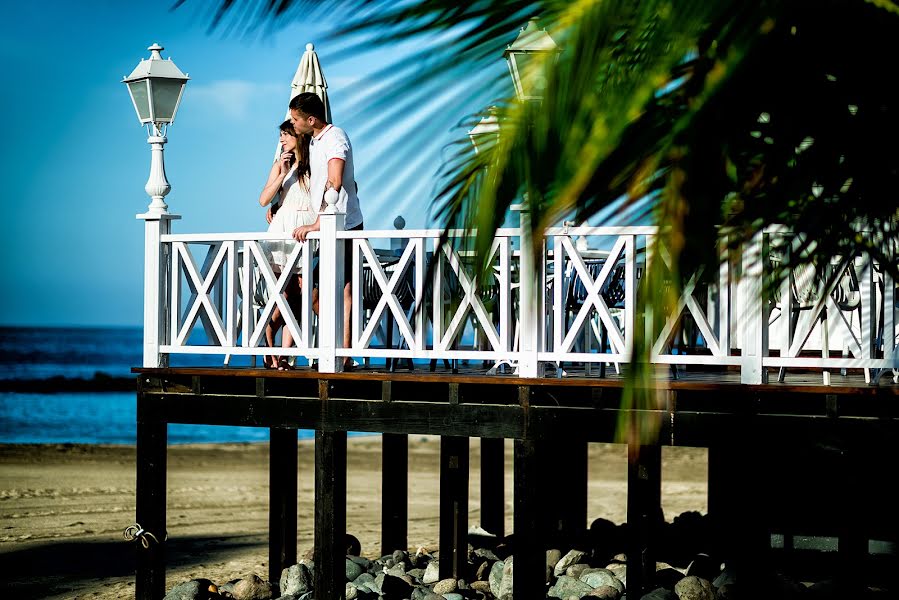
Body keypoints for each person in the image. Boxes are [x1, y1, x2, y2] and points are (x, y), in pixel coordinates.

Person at [289, 92, 363, 371]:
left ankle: (343, 354)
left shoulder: (334, 137)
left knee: (342, 290)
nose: (292, 124)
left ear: (311, 119)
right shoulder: (314, 141)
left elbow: (334, 180)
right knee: (316, 293)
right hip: (326, 227)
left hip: (343, 224)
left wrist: (317, 223)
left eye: (296, 119)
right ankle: (337, 347)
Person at [258, 120, 317, 370]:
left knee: (300, 295)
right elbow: (263, 200)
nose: (282, 140)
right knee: (283, 293)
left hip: (305, 231)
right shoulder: (281, 165)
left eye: (286, 134)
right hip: (282, 231)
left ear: (298, 135)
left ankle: (283, 354)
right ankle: (269, 344)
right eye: (281, 135)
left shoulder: (315, 162)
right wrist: (281, 173)